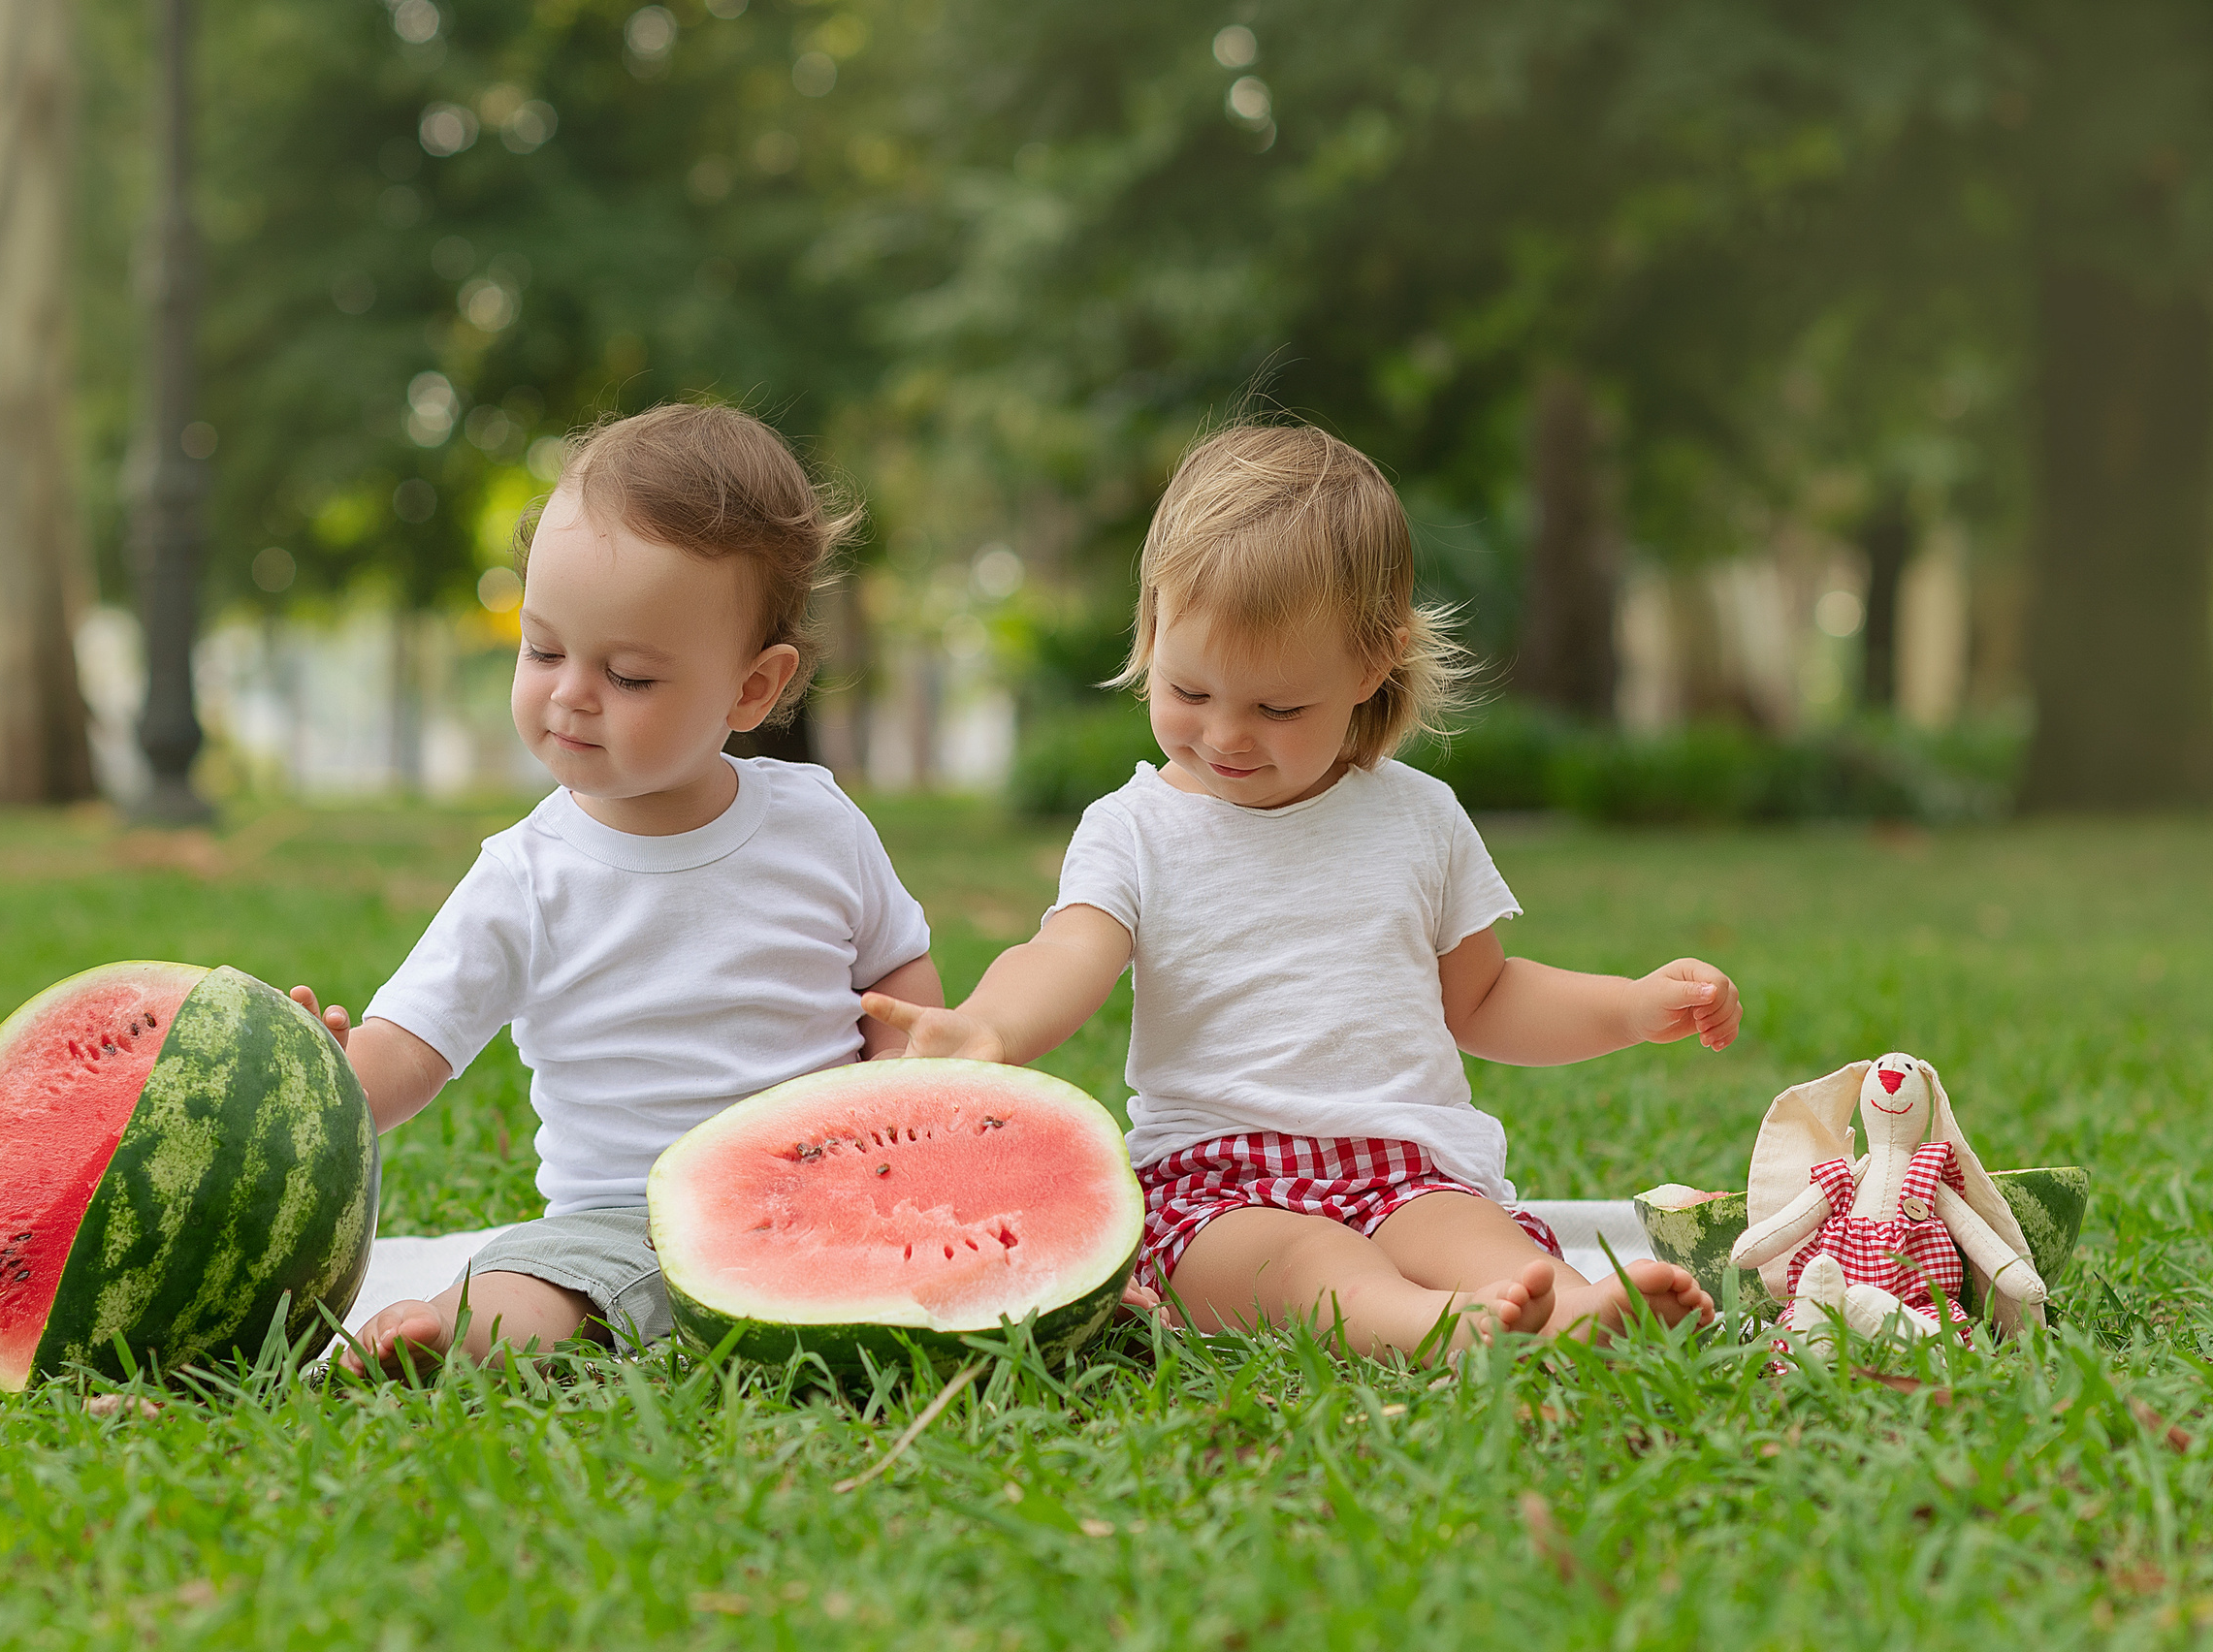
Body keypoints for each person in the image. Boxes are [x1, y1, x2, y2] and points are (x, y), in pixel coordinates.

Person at [867, 420, 1739, 1359]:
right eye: (1189, 692)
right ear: (1152, 634)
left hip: (1406, 1163)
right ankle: (1433, 1332)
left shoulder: (1420, 817)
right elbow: (1068, 952)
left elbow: (1484, 996)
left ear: (1371, 665)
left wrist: (1631, 1007)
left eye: (1278, 708)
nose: (1228, 736)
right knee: (1299, 1263)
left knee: (1471, 1232)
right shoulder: (1135, 828)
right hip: (1215, 1178)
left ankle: (1564, 1305)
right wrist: (993, 1027)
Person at [293, 402, 944, 1374]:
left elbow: (898, 984)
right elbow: (415, 1047)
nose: (569, 693)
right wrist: (323, 1084)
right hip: (618, 1227)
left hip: (825, 1202)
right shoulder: (525, 875)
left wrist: (908, 1115)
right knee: (530, 1298)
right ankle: (446, 1337)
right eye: (543, 648)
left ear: (752, 690)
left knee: (964, 1269)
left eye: (630, 676)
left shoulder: (820, 824)